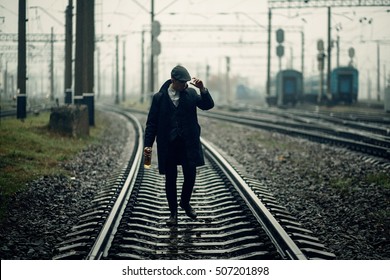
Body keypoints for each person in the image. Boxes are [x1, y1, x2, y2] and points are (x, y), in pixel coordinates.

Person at [144, 65, 214, 226]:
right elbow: (152, 123)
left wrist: (203, 89)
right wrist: (148, 146)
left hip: (188, 143)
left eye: (186, 82)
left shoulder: (190, 93)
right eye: (182, 82)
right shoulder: (159, 98)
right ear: (173, 80)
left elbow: (207, 105)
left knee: (190, 175)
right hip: (168, 145)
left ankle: (185, 202)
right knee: (171, 179)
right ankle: (173, 213)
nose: (185, 85)